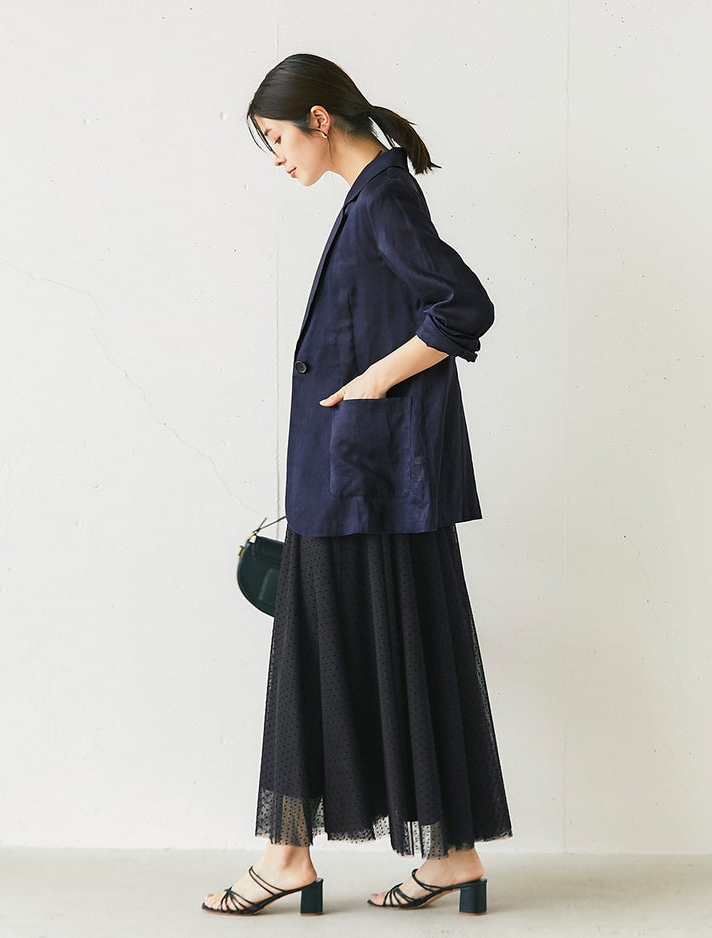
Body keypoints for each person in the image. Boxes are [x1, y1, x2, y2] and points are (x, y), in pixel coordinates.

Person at [202, 52, 512, 917]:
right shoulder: (375, 194)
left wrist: (374, 379)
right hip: (370, 480)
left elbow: (464, 307)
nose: (277, 157)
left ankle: (286, 858)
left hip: (363, 481)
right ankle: (451, 857)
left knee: (318, 660)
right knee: (404, 652)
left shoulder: (381, 198)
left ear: (318, 119)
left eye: (276, 138)